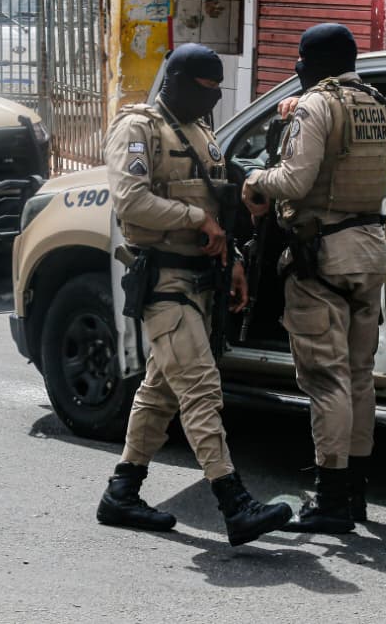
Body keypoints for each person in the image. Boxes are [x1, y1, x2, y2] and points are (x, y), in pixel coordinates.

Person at [96, 43, 293, 547]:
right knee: (201, 388)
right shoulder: (136, 129)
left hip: (202, 278)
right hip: (163, 282)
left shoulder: (202, 133)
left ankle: (122, 492)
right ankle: (233, 503)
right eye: (203, 89)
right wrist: (193, 219)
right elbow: (132, 201)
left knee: (160, 392)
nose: (210, 102)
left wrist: (235, 265)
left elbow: (217, 207)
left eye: (215, 92)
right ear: (176, 80)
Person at [241, 23, 386, 534]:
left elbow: (295, 180)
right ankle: (354, 497)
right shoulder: (374, 102)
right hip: (369, 251)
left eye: (302, 59)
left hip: (321, 257)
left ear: (320, 61)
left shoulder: (316, 105)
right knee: (358, 378)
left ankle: (328, 500)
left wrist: (255, 179)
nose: (297, 69)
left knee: (325, 381)